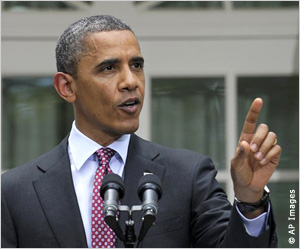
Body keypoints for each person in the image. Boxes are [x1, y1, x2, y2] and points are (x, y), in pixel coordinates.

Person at [1, 15, 281, 248]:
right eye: (109, 68)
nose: (130, 81)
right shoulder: (14, 193)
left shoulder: (188, 175)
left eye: (136, 65)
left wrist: (249, 198)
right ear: (67, 87)